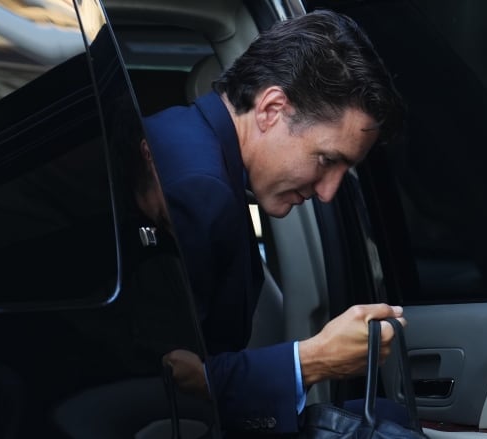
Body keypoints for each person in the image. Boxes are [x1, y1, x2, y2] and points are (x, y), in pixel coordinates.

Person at [143, 9, 406, 435]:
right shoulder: (197, 188)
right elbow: (169, 380)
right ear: (270, 109)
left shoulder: (187, 145)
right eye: (327, 160)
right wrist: (313, 358)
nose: (328, 192)